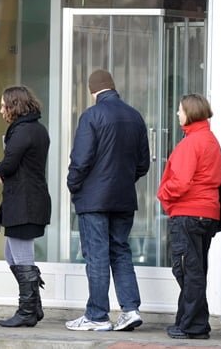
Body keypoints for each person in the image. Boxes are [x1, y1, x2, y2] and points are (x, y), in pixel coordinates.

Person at [65, 69, 149, 332]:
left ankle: (98, 315)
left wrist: (73, 185)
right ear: (113, 87)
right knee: (121, 251)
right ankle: (130, 310)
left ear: (93, 91)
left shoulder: (92, 116)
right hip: (123, 198)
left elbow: (81, 160)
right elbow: (143, 164)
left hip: (94, 200)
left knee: (98, 255)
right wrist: (123, 181)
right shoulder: (135, 117)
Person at [157, 93, 221, 340]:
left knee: (186, 270)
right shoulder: (209, 139)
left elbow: (181, 182)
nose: (177, 113)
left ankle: (193, 325)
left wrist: (162, 194)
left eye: (180, 110)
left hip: (189, 213)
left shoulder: (192, 142)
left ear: (190, 113)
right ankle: (188, 322)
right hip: (206, 214)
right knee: (194, 269)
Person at [0, 86, 50, 328]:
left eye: (4, 105)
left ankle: (27, 311)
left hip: (25, 203)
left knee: (22, 256)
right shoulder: (35, 128)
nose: (0, 110)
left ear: (14, 107)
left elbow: (8, 164)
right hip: (28, 200)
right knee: (11, 253)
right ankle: (33, 305)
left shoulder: (23, 131)